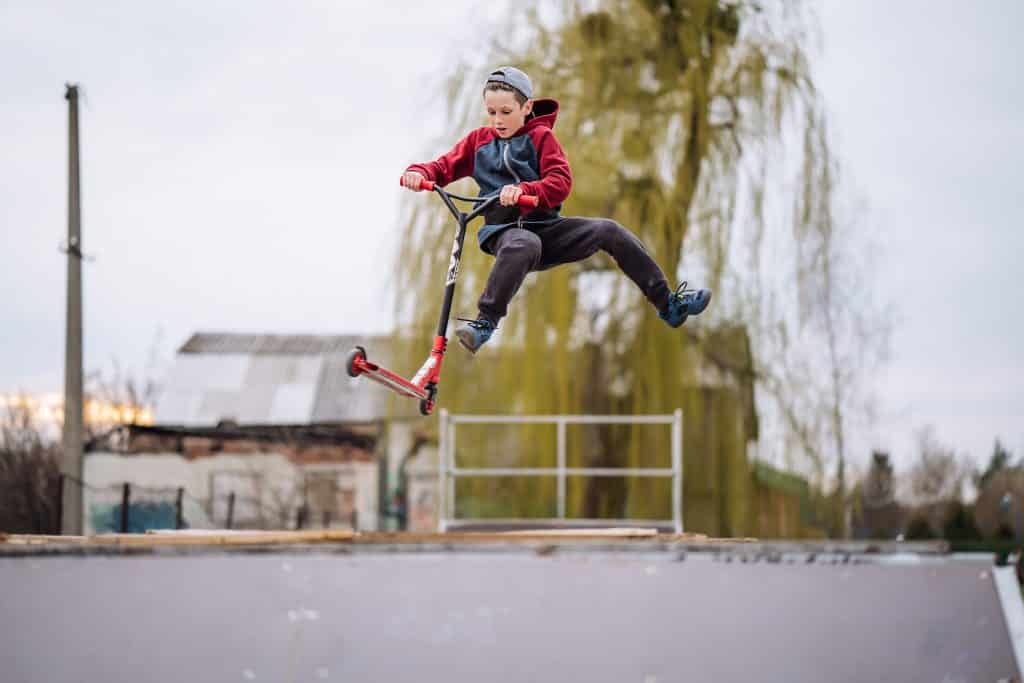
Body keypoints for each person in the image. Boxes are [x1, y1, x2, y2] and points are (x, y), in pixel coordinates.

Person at [402, 66, 711, 354]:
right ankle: (485, 323)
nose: (498, 120)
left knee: (609, 230)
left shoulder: (541, 139)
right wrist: (419, 173)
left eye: (506, 112)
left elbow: (560, 182)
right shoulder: (478, 142)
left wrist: (527, 191)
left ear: (526, 107)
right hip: (505, 235)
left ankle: (667, 303)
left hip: (549, 230)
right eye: (492, 112)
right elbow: (442, 167)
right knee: (524, 243)